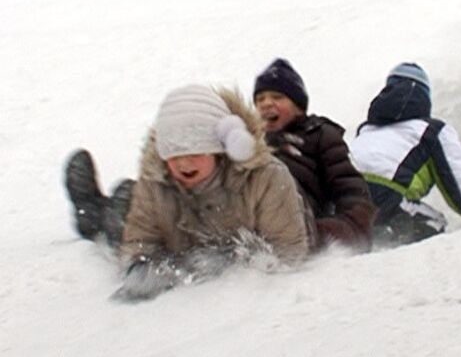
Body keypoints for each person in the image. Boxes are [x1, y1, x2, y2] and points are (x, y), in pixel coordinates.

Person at [65, 85, 309, 270]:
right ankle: (92, 208)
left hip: (212, 254)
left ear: (220, 149)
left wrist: (222, 261)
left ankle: (97, 211)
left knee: (122, 210)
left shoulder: (265, 178)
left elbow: (288, 253)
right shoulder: (156, 181)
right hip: (173, 246)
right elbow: (138, 245)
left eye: (196, 152)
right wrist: (144, 271)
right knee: (123, 219)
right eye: (174, 155)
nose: (184, 163)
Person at [349, 62, 461, 247]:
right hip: (386, 201)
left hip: (343, 202)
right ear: (424, 98)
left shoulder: (366, 130)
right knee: (434, 224)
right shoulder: (432, 131)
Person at [253, 58, 376, 253]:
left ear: (298, 106)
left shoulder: (320, 136)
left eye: (277, 97)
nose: (266, 103)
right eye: (260, 99)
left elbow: (352, 192)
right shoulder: (250, 143)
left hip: (303, 229)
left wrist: (338, 232)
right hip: (254, 237)